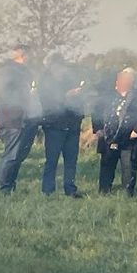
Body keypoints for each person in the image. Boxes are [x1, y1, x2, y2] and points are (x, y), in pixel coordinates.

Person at [92, 67, 137, 198]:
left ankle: (127, 193)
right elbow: (96, 110)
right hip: (109, 137)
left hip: (129, 139)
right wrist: (98, 129)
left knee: (128, 166)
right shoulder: (109, 96)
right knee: (107, 164)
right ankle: (104, 191)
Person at [38, 56, 90, 198]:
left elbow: (79, 103)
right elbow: (47, 103)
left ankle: (70, 189)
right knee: (52, 160)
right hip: (54, 127)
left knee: (71, 161)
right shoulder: (46, 83)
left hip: (72, 126)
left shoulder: (70, 80)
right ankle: (48, 190)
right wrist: (65, 96)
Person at [0, 45, 43, 193]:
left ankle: (10, 184)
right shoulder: (8, 71)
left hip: (26, 119)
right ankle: (4, 187)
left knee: (19, 155)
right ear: (23, 55)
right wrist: (26, 95)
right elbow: (3, 95)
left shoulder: (25, 71)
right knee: (11, 155)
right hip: (12, 120)